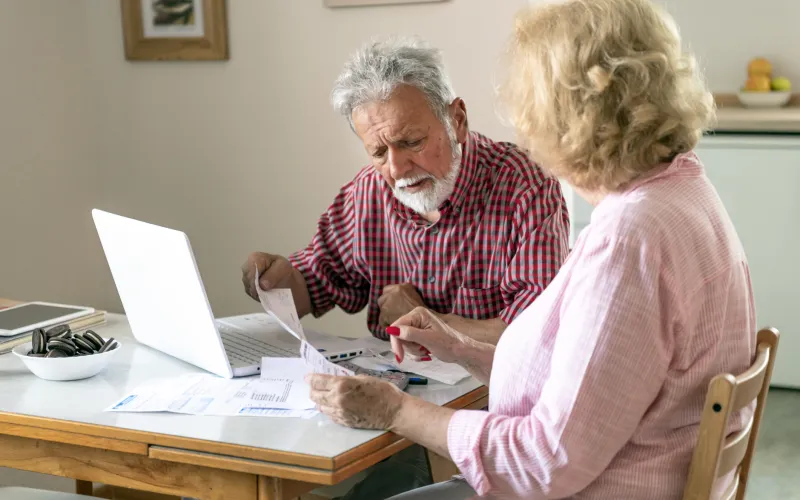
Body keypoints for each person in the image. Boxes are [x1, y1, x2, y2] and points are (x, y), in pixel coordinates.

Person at [306, 0, 756, 499]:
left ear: (562, 113)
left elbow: (546, 461)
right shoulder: (682, 189)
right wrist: (457, 346)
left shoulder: (630, 240)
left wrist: (397, 410)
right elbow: (588, 381)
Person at [241, 38, 570, 347]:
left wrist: (429, 322)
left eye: (412, 142)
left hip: (492, 398)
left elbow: (539, 332)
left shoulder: (526, 186)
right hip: (400, 387)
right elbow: (315, 283)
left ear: (457, 120)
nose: (396, 169)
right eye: (379, 153)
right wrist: (275, 283)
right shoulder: (368, 191)